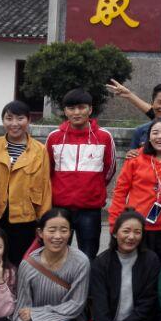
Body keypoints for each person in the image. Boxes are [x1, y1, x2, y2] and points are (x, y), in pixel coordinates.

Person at [76, 211, 161, 321]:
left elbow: (148, 302)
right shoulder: (101, 262)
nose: (131, 237)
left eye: (137, 232)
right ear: (115, 233)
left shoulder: (150, 260)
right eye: (126, 231)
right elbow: (99, 305)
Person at [9, 208, 90, 321]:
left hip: (70, 320)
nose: (58, 236)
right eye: (52, 230)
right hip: (35, 320)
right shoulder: (28, 264)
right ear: (40, 232)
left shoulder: (81, 262)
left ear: (70, 232)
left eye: (64, 230)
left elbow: (76, 305)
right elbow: (22, 308)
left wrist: (36, 313)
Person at [45, 88, 117, 260]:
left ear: (90, 109)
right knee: (57, 255)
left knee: (88, 256)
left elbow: (110, 169)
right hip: (60, 208)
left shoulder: (104, 137)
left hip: (90, 209)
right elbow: (47, 170)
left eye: (81, 107)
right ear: (65, 111)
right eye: (71, 108)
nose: (76, 112)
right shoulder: (54, 137)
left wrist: (94, 188)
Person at [109, 118, 161, 262]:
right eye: (155, 133)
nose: (160, 137)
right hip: (137, 226)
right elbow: (120, 192)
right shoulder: (135, 158)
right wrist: (115, 223)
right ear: (149, 137)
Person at [0, 100, 53, 267]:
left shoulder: (39, 150)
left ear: (28, 120)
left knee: (21, 265)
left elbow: (45, 187)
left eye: (20, 118)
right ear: (3, 121)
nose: (14, 124)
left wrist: (44, 223)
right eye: (9, 118)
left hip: (26, 219)